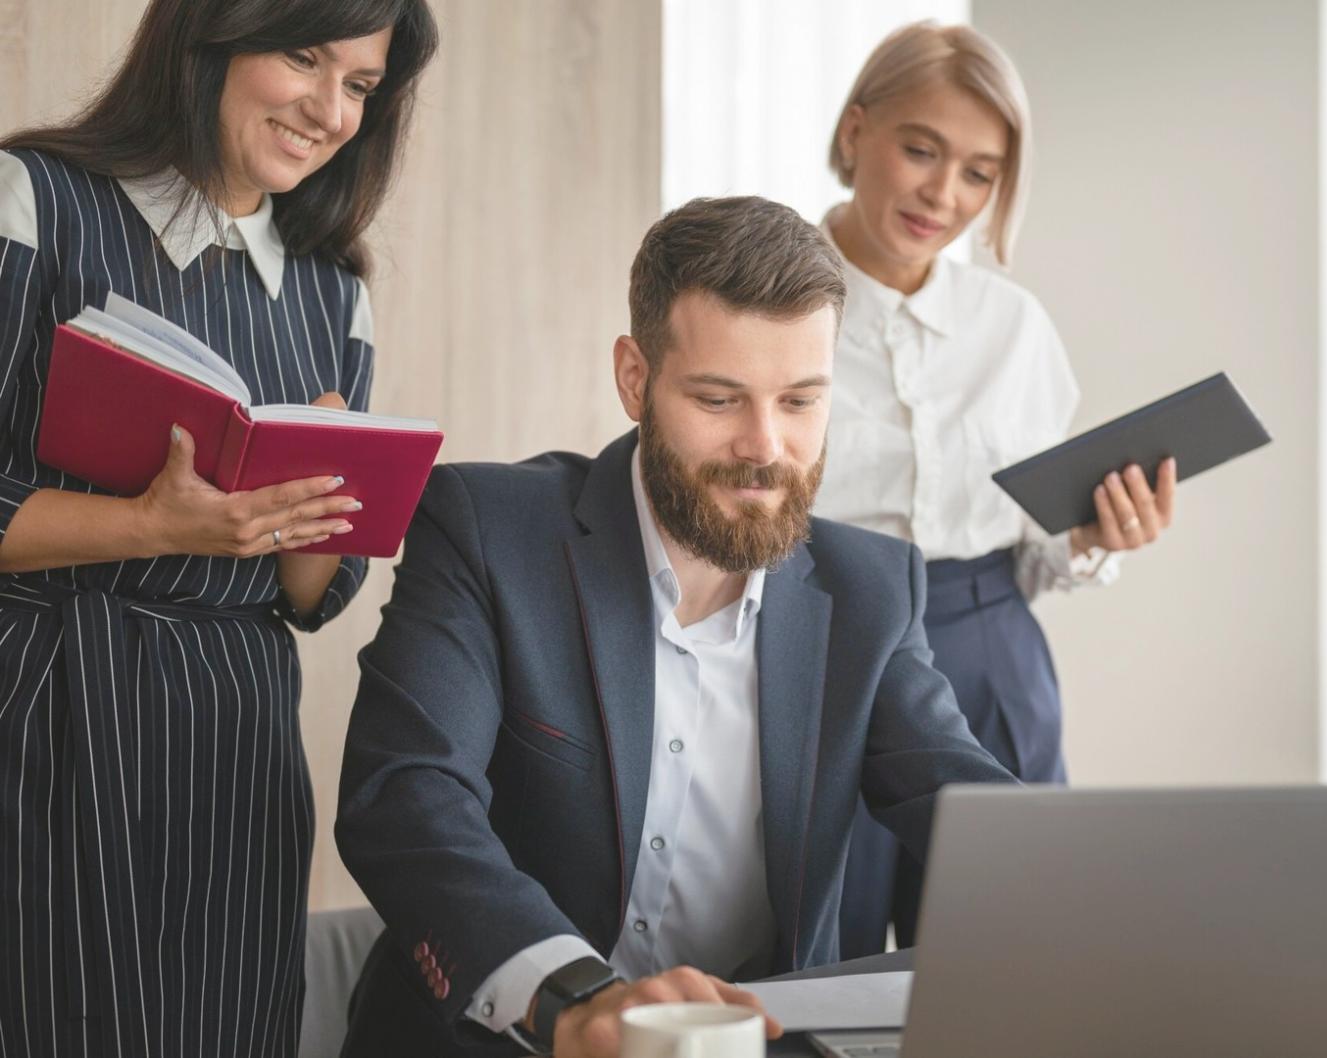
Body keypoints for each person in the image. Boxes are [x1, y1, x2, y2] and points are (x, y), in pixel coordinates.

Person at [334, 196, 1015, 1058]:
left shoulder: (874, 593)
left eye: (801, 401)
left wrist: (1130, 910)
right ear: (634, 379)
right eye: (720, 399)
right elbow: (406, 798)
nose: (765, 446)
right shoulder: (486, 531)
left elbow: (973, 810)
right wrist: (578, 1001)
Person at [0, 1, 437, 1054]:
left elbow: (311, 596)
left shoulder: (333, 292)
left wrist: (327, 495)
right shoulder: (37, 201)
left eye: (361, 86)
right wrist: (151, 524)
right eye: (303, 57)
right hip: (54, 703)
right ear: (209, 37)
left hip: (236, 736)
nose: (330, 109)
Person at [816, 21, 1179, 957]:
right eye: (921, 149)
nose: (944, 193)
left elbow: (1037, 544)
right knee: (820, 949)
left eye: (979, 172)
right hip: (820, 646)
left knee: (1013, 953)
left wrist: (1098, 535)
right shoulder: (770, 296)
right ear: (857, 132)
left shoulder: (1012, 327)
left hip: (989, 651)